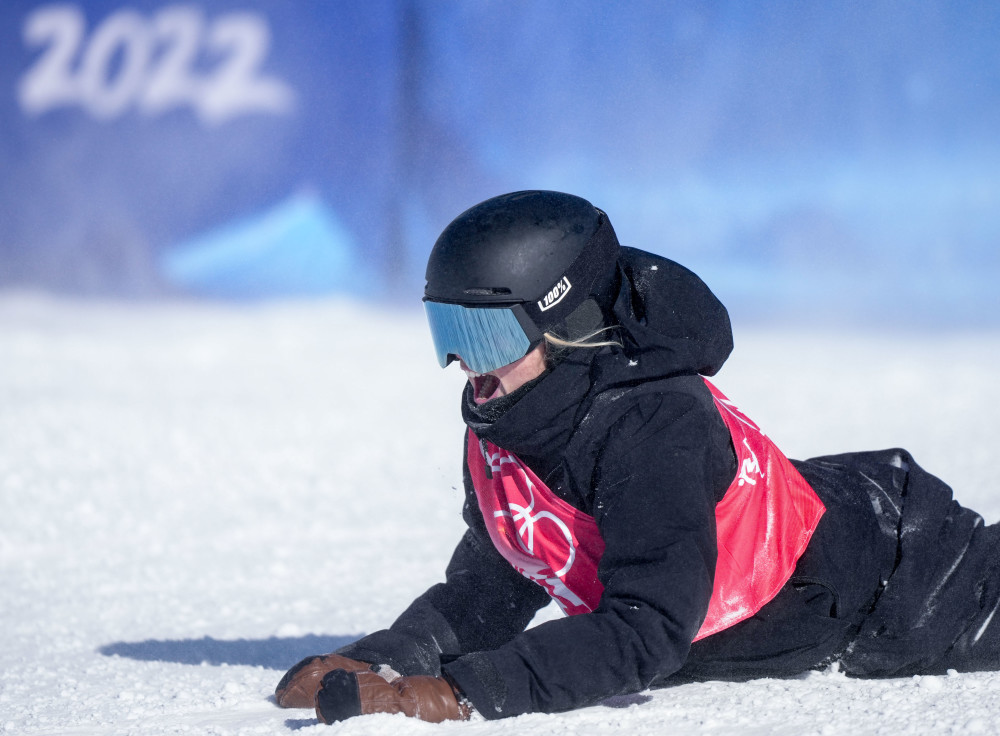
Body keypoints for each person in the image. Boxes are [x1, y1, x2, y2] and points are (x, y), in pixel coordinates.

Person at [273, 190, 1000, 724]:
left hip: (900, 582)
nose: (469, 368)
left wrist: (470, 690)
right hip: (803, 537)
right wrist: (392, 657)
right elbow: (501, 576)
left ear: (563, 327)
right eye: (450, 334)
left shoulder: (653, 427)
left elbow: (644, 630)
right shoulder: (509, 422)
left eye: (489, 336)